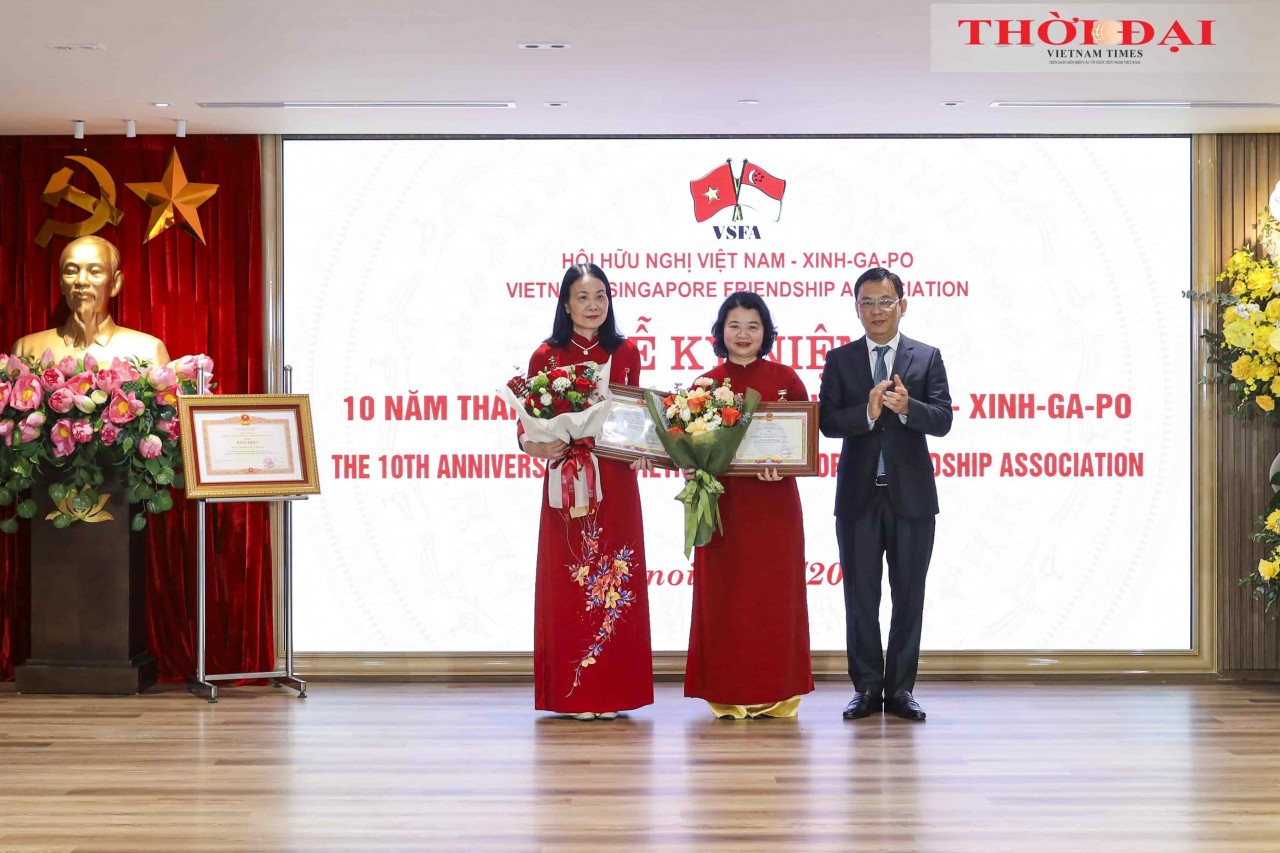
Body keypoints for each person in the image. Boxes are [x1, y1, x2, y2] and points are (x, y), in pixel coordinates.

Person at [520, 263, 653, 720]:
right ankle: (575, 694)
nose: (593, 305)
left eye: (601, 295)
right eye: (582, 296)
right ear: (565, 303)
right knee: (571, 579)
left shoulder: (628, 350)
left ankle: (613, 692)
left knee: (616, 579)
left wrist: (645, 450)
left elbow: (638, 418)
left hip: (615, 479)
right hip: (566, 479)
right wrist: (540, 443)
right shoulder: (546, 356)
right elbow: (524, 429)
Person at [819, 267, 952, 722]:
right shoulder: (840, 360)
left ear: (903, 304)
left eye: (885, 301)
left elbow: (943, 419)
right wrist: (869, 412)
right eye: (867, 303)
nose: (876, 311)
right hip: (858, 499)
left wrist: (908, 408)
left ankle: (899, 690)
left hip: (912, 500)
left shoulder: (926, 356)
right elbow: (829, 423)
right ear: (856, 308)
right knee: (860, 597)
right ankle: (866, 688)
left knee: (908, 596)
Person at [684, 291, 813, 719]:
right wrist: (688, 466)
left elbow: (803, 442)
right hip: (722, 507)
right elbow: (687, 447)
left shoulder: (786, 378)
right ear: (720, 331)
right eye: (734, 325)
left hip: (773, 506)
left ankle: (780, 693)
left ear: (766, 332)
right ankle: (725, 692)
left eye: (752, 326)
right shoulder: (703, 386)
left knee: (773, 598)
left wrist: (787, 466)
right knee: (726, 599)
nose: (743, 334)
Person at [13, 235, 170, 363]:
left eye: (95, 271)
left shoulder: (148, 351)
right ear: (61, 283)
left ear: (115, 283)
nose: (81, 281)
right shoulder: (26, 349)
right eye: (71, 271)